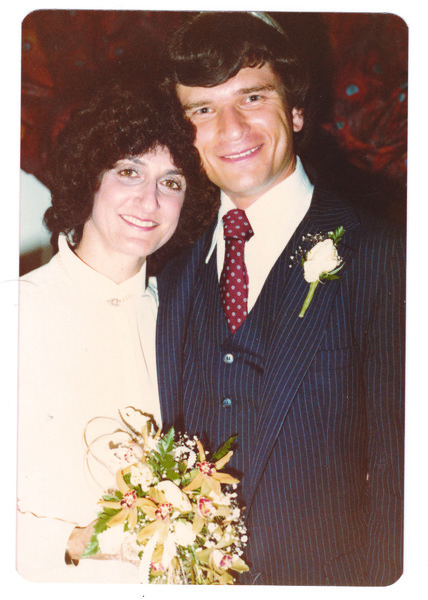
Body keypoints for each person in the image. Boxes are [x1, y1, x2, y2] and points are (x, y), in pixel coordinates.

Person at [156, 12, 405, 586]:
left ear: (294, 110)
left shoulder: (387, 255)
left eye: (252, 97)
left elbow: (404, 477)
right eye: (202, 109)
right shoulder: (170, 275)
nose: (231, 127)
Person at [17, 82, 217, 582]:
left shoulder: (188, 319)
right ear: (90, 178)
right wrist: (73, 542)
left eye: (171, 182)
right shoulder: (18, 309)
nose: (149, 201)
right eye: (130, 172)